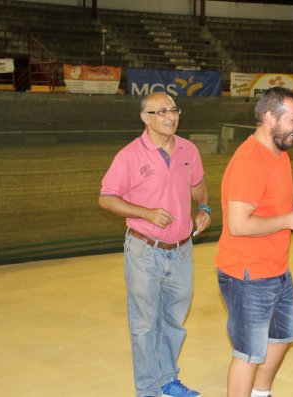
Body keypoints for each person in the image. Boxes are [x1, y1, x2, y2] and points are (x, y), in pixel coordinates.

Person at [99, 92, 211, 397]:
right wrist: (144, 212)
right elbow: (106, 198)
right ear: (145, 118)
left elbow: (199, 189)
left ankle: (167, 379)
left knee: (175, 321)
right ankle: (147, 390)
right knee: (144, 324)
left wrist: (204, 210)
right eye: (161, 111)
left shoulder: (188, 149)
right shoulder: (129, 156)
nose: (170, 116)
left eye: (173, 110)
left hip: (182, 250)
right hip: (144, 250)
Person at [215, 87, 293, 397]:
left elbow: (273, 209)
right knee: (248, 353)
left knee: (282, 336)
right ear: (268, 117)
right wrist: (289, 221)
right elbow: (238, 225)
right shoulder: (249, 162)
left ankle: (261, 394)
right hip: (247, 273)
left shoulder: (280, 155)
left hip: (277, 268)